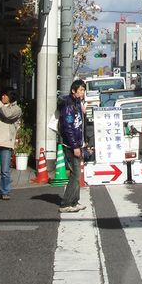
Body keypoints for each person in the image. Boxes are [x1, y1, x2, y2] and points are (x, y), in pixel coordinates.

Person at [57, 79, 87, 213]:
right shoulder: (69, 105)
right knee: (75, 174)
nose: (82, 92)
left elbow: (78, 126)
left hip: (76, 143)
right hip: (70, 145)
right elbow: (68, 127)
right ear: (73, 90)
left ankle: (74, 201)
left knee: (77, 173)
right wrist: (75, 146)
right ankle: (66, 203)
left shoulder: (76, 103)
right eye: (80, 90)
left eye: (83, 90)